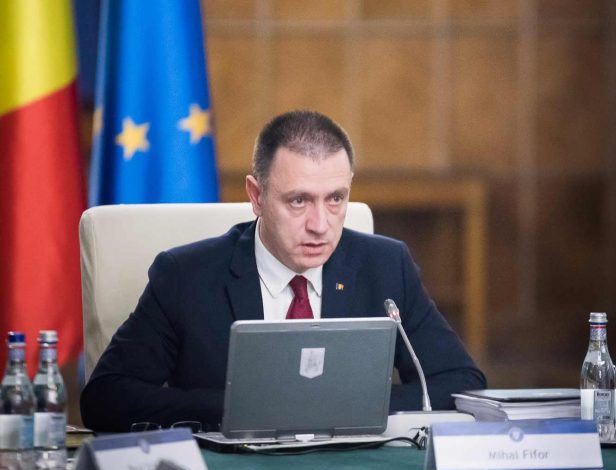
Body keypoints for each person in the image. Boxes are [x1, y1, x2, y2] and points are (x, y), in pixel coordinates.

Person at [80, 111, 486, 432]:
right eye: (298, 201)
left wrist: (343, 407)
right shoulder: (186, 277)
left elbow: (462, 382)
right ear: (256, 196)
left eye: (336, 199)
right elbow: (106, 398)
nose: (320, 225)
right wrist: (242, 407)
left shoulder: (385, 266)